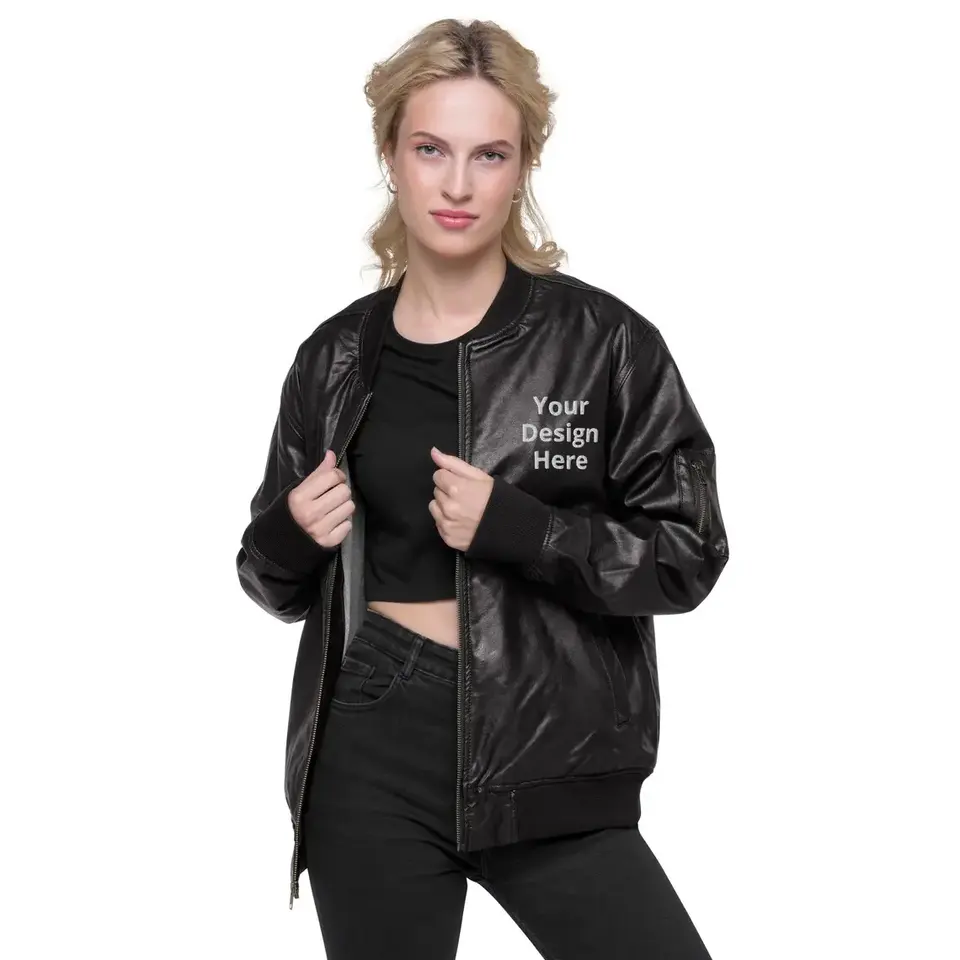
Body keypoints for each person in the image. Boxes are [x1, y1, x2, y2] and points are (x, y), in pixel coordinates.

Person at [236, 17, 730, 959]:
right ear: (391, 156)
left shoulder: (606, 344)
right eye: (431, 149)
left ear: (523, 165)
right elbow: (272, 583)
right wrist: (291, 535)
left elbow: (689, 554)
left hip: (551, 744)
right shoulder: (334, 357)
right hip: (370, 739)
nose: (457, 184)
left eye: (489, 155)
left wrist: (527, 531)